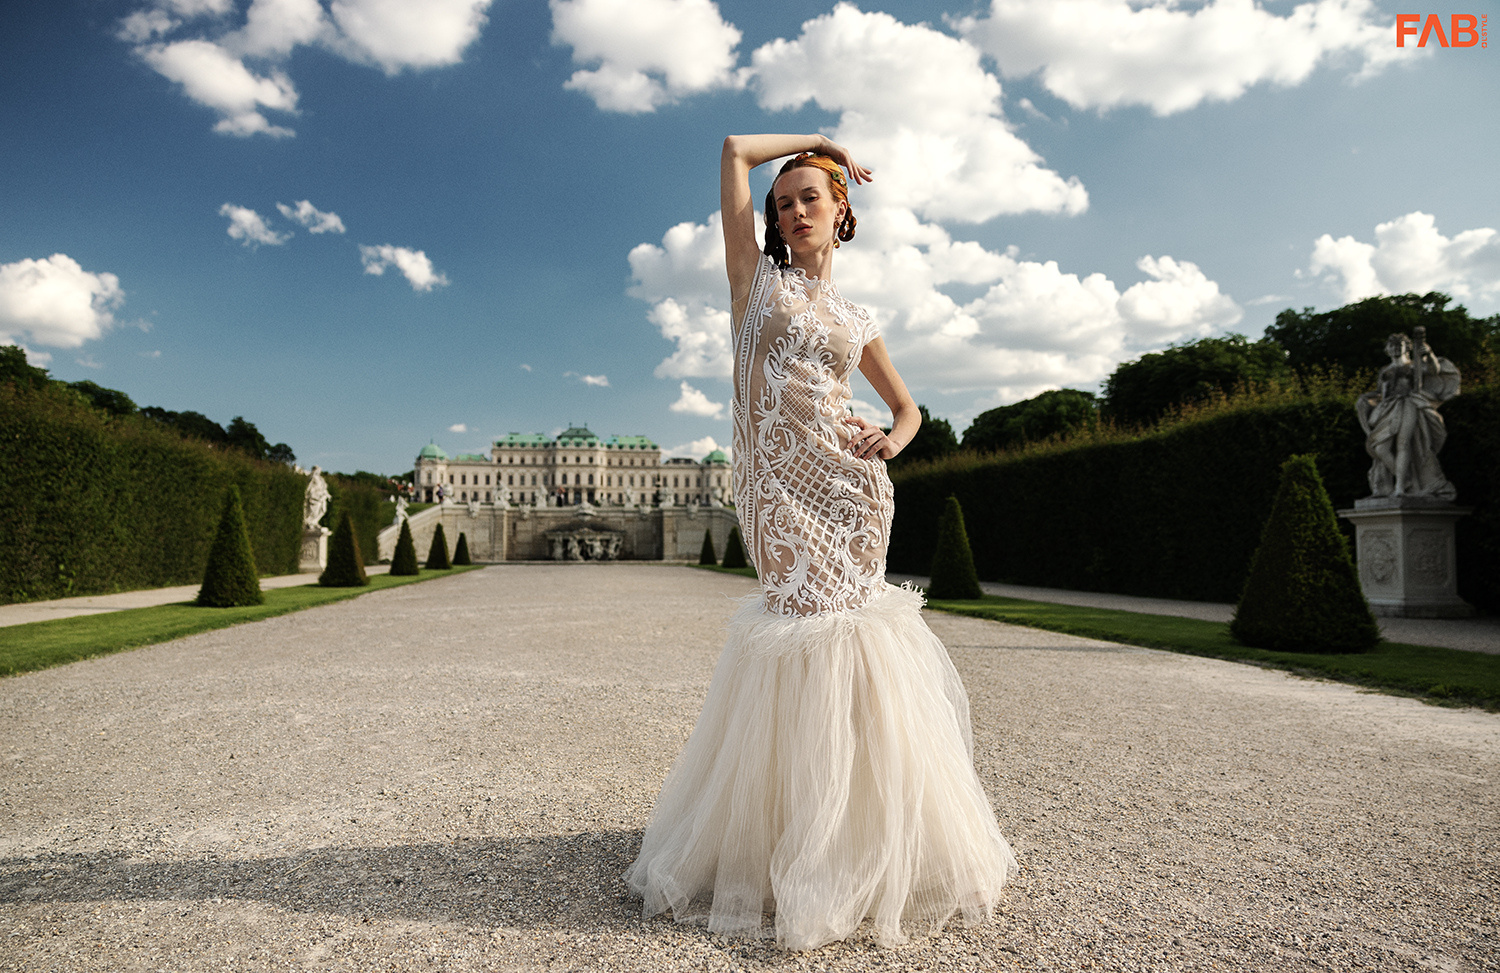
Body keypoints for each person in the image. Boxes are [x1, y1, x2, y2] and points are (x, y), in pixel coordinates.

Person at [624, 134, 1017, 950]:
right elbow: (734, 150)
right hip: (779, 497)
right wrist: (817, 143)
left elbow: (908, 409)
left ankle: (857, 844)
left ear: (842, 211)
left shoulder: (855, 318)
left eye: (811, 196)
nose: (795, 210)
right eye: (783, 203)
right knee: (801, 644)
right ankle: (793, 841)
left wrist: (890, 441)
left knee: (856, 652)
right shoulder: (754, 284)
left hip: (851, 491)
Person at [1356, 329, 1460, 500]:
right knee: (1380, 448)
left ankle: (1399, 488)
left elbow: (1434, 370)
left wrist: (1429, 354)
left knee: (1403, 444)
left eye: (1400, 345)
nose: (1396, 348)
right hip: (1387, 408)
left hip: (1409, 404)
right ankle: (1406, 480)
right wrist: (1365, 400)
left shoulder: (1414, 366)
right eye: (1392, 345)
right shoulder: (1384, 370)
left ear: (1408, 347)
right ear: (1387, 349)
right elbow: (1381, 393)